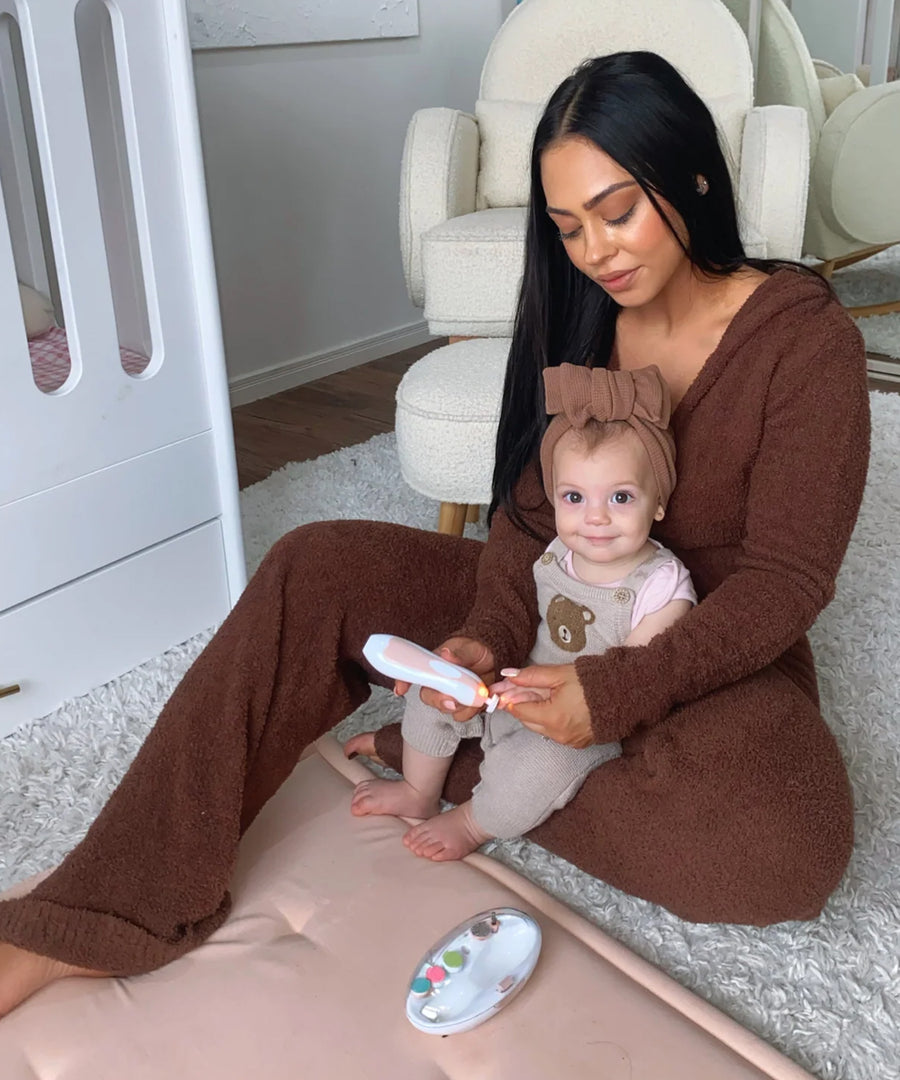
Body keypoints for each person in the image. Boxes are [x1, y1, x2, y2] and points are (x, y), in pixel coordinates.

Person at [0, 49, 869, 1018]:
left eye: (617, 210)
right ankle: (96, 914)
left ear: (696, 175)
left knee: (786, 850)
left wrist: (615, 692)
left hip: (699, 642)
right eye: (569, 226)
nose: (596, 252)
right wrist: (483, 638)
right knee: (315, 564)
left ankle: (473, 761)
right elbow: (527, 520)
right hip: (552, 608)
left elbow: (788, 580)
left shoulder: (802, 340)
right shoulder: (582, 314)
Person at [350, 363, 696, 860]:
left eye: (621, 497)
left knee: (535, 772)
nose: (595, 517)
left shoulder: (661, 585)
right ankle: (418, 791)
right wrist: (480, 678)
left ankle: (473, 822)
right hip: (512, 686)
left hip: (581, 721)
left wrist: (564, 701)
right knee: (429, 698)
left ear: (658, 502)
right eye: (574, 497)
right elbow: (518, 612)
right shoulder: (556, 549)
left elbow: (637, 674)